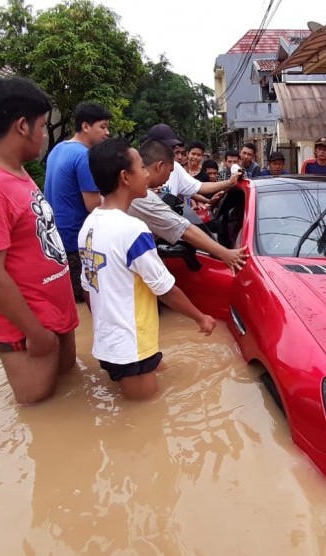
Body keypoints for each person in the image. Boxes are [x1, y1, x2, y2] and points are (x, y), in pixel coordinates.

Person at [0, 77, 79, 405]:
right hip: (27, 327)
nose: (44, 134)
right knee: (40, 408)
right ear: (22, 125)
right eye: (42, 125)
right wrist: (35, 333)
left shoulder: (18, 171)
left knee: (69, 393)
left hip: (53, 311)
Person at [79, 138, 216, 400]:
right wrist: (201, 318)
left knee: (160, 377)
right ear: (125, 177)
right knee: (143, 420)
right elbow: (164, 288)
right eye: (141, 167)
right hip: (132, 348)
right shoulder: (133, 229)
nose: (146, 174)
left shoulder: (89, 226)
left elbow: (89, 289)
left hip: (110, 343)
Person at [128, 139, 249, 269]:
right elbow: (185, 230)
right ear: (159, 166)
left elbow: (197, 187)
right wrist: (225, 254)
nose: (170, 177)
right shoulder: (144, 198)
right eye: (170, 171)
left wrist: (229, 183)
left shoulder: (130, 190)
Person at [44, 101, 112, 302]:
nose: (107, 133)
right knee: (86, 299)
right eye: (103, 127)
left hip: (54, 239)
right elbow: (93, 206)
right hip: (76, 240)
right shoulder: (84, 156)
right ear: (85, 126)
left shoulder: (58, 149)